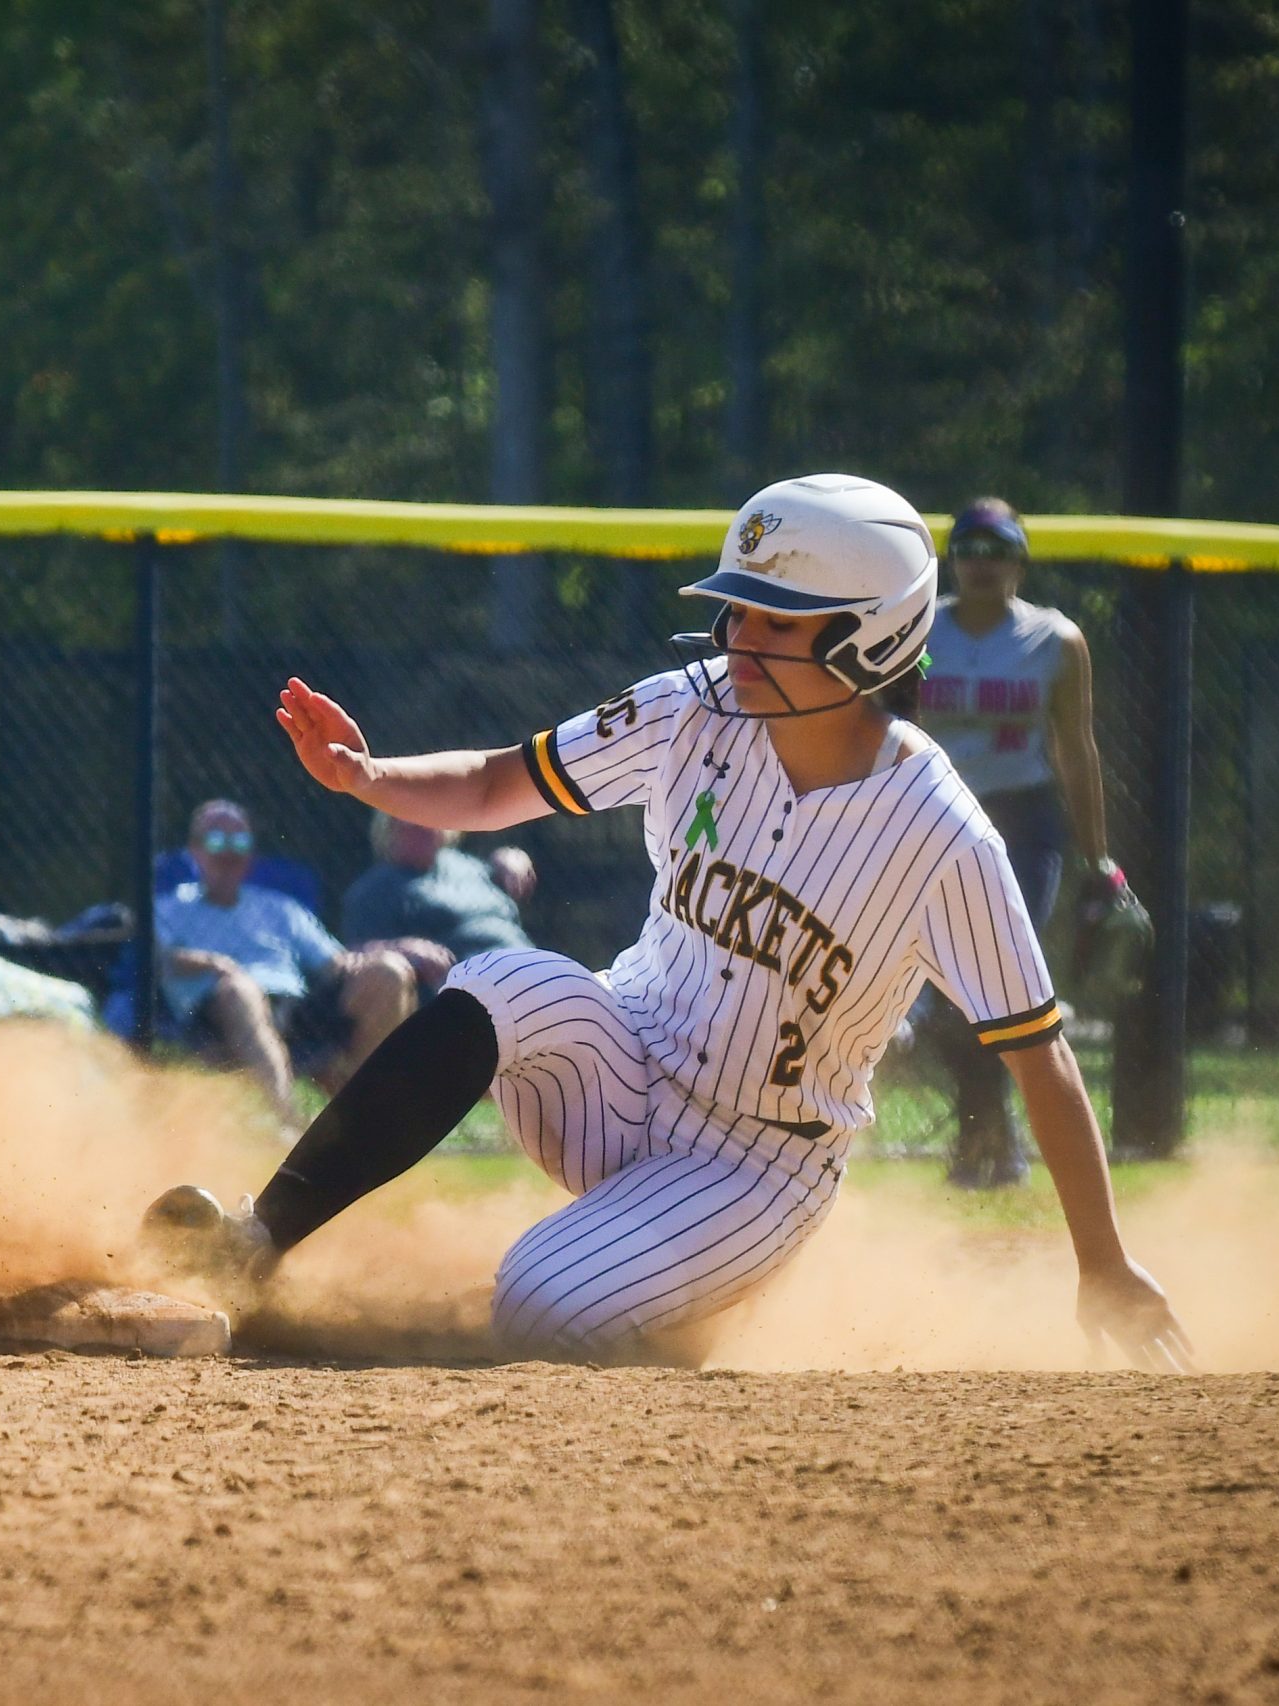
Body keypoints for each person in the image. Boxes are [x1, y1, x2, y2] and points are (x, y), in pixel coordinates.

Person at [145, 474, 1189, 1371]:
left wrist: (1102, 1263)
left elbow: (1039, 1054)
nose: (739, 638)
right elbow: (499, 783)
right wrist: (367, 777)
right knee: (500, 980)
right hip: (620, 1061)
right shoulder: (695, 706)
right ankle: (255, 1241)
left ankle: (656, 1290)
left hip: (754, 1161)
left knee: (540, 1302)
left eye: (777, 620)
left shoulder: (941, 836)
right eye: (736, 610)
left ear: (868, 640)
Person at [917, 498, 1134, 1188]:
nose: (982, 563)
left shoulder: (1054, 639)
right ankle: (986, 1134)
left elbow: (1076, 749)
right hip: (932, 817)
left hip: (1021, 823)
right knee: (948, 992)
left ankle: (988, 1142)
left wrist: (1098, 857)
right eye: (969, 549)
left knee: (998, 976)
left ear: (1021, 560)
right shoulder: (917, 628)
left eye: (998, 549)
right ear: (952, 559)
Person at [157, 799, 418, 1123]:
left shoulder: (279, 908)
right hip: (216, 1016)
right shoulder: (170, 908)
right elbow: (160, 961)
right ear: (194, 851)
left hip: (293, 1008)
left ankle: (364, 1113)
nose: (229, 852)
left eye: (240, 842)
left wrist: (386, 954)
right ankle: (287, 1121)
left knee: (388, 971)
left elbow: (335, 961)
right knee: (240, 989)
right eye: (216, 841)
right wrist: (212, 963)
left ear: (252, 853)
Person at [340, 813, 536, 988]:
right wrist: (401, 948)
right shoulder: (375, 889)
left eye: (429, 817)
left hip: (526, 960)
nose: (422, 827)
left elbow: (511, 872)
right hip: (475, 982)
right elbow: (353, 957)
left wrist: (513, 857)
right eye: (410, 822)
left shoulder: (468, 866)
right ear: (388, 829)